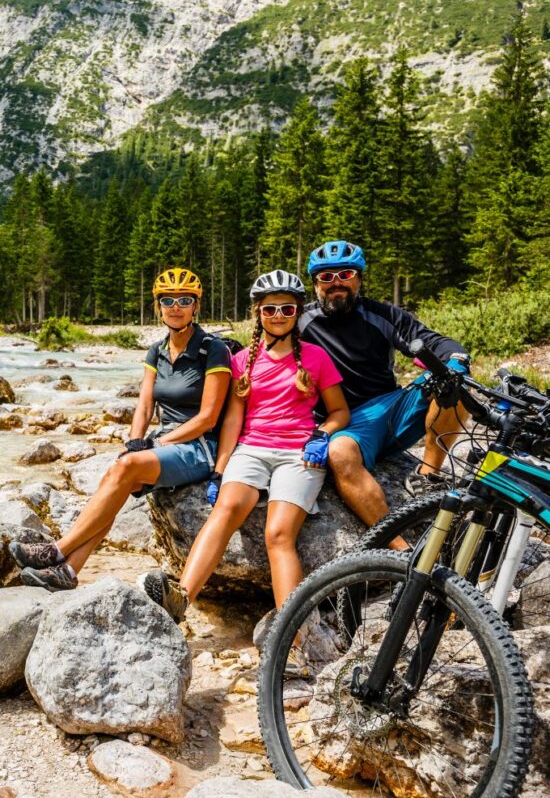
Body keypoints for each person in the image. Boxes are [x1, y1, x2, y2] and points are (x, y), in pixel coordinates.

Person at [139, 270, 349, 672]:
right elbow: (233, 420)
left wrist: (322, 434)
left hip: (297, 454)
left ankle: (293, 642)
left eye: (286, 309)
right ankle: (181, 598)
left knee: (278, 535)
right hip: (251, 449)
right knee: (225, 511)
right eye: (269, 309)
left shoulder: (316, 358)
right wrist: (220, 471)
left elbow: (339, 411)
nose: (278, 316)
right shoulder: (241, 362)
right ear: (258, 313)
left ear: (297, 312)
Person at [9, 268, 232, 594]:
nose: (176, 307)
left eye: (185, 300)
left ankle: (56, 550)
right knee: (115, 480)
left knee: (125, 470)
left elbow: (208, 417)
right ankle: (69, 571)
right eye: (168, 300)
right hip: (164, 443)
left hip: (199, 447)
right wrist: (134, 442)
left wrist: (157, 443)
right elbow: (144, 406)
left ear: (196, 306)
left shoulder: (213, 349)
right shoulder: (156, 351)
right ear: (158, 306)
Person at [299, 241, 470, 541]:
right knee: (339, 453)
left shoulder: (383, 315)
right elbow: (266, 347)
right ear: (315, 284)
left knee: (453, 382)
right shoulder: (300, 321)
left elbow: (431, 340)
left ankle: (428, 476)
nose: (336, 283)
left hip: (391, 409)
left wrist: (456, 359)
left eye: (345, 274)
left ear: (359, 279)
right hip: (343, 424)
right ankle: (399, 549)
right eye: (326, 277)